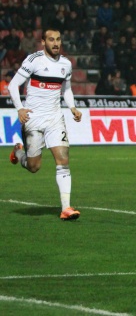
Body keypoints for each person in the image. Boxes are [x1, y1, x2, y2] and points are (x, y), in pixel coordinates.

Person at [7, 28, 83, 220]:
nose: (55, 43)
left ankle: (66, 208)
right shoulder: (34, 61)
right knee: (34, 166)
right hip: (33, 119)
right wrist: (20, 108)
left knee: (63, 160)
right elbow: (13, 85)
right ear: (43, 42)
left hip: (55, 118)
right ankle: (18, 152)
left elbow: (66, 89)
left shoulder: (66, 64)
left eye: (58, 39)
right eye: (51, 40)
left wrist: (72, 107)